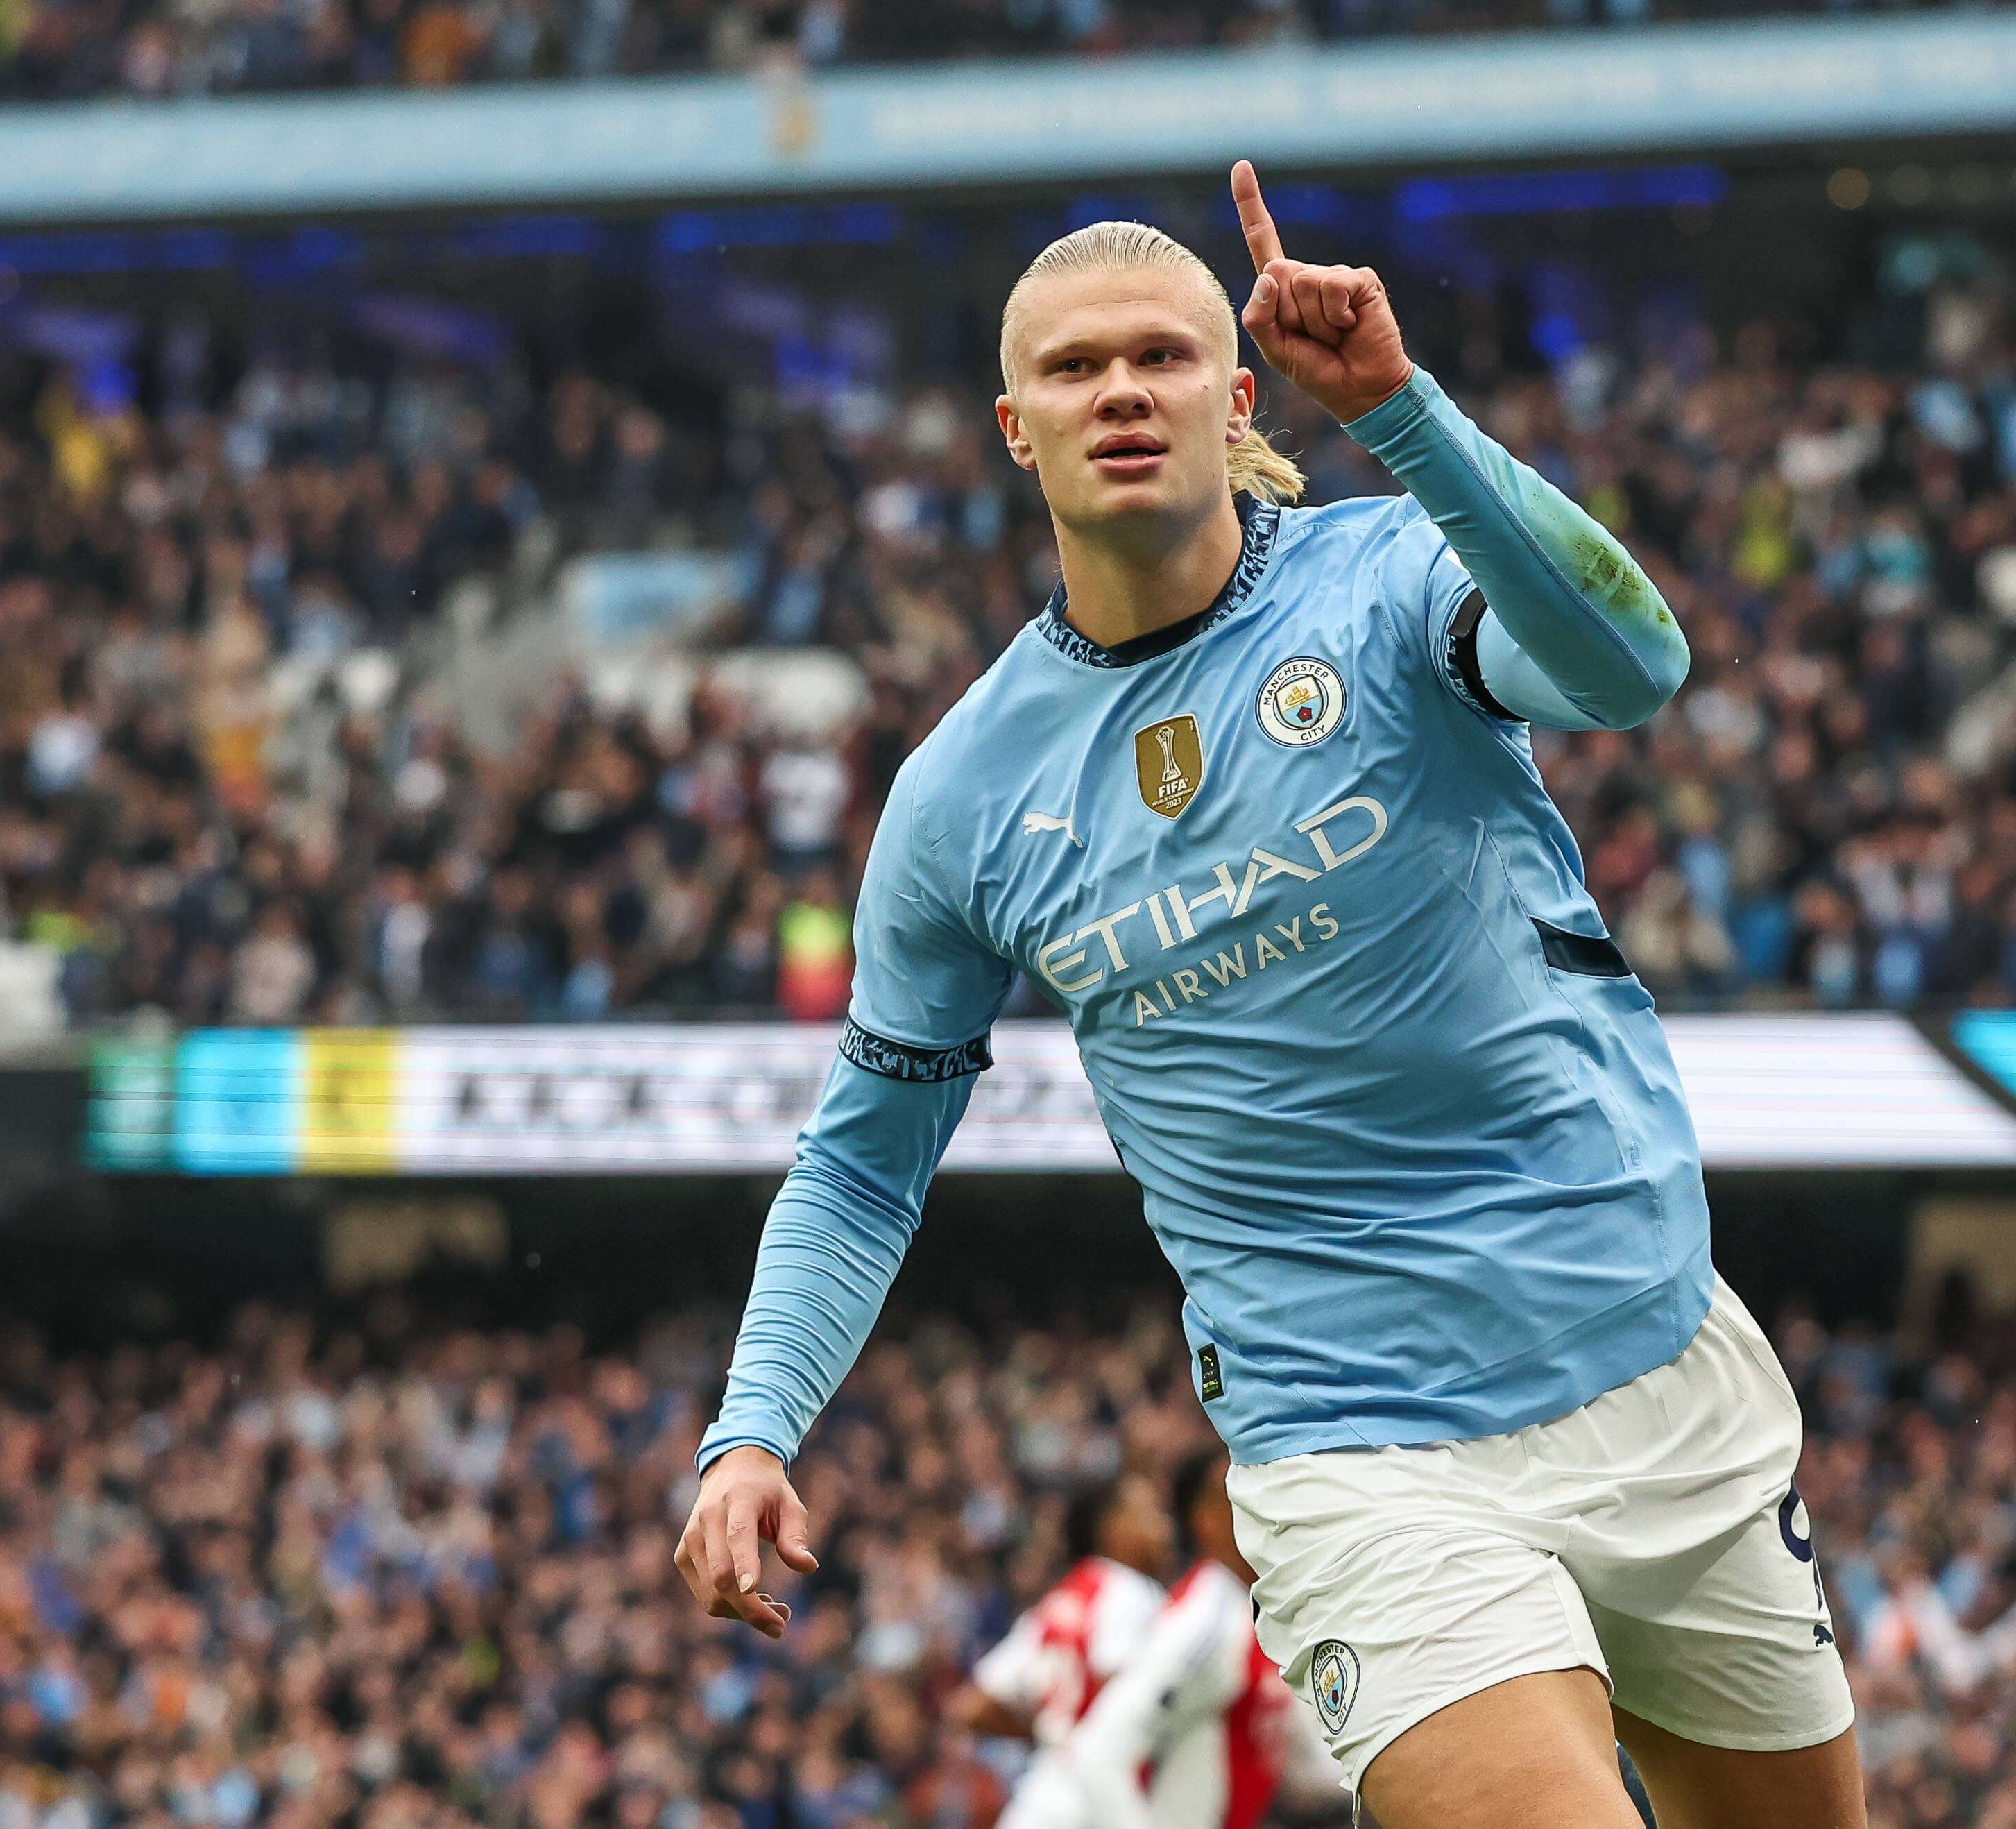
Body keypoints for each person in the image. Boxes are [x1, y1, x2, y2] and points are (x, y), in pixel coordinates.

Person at [676, 158, 1864, 1829]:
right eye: (1072, 369)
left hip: (1657, 1363)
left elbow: (1632, 667)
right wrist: (750, 1426)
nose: (1118, 391)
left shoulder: (1390, 577)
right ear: (1013, 429)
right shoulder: (961, 795)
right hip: (1360, 1457)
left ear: (1233, 392)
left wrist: (1401, 408)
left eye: (1156, 355)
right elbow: (866, 1153)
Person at [1049, 1447, 1343, 1829]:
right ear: (1207, 1519)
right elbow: (1095, 1756)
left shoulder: (1256, 1613)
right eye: (1250, 1487)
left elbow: (1310, 1772)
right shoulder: (1205, 1625)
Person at [949, 1472, 1176, 1828]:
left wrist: (1052, 1730)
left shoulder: (1061, 1600)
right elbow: (1116, 1682)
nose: (1166, 1527)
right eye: (1150, 1513)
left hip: (1040, 1797)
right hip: (1094, 1804)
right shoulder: (1133, 1592)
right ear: (1112, 1527)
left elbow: (972, 1706)